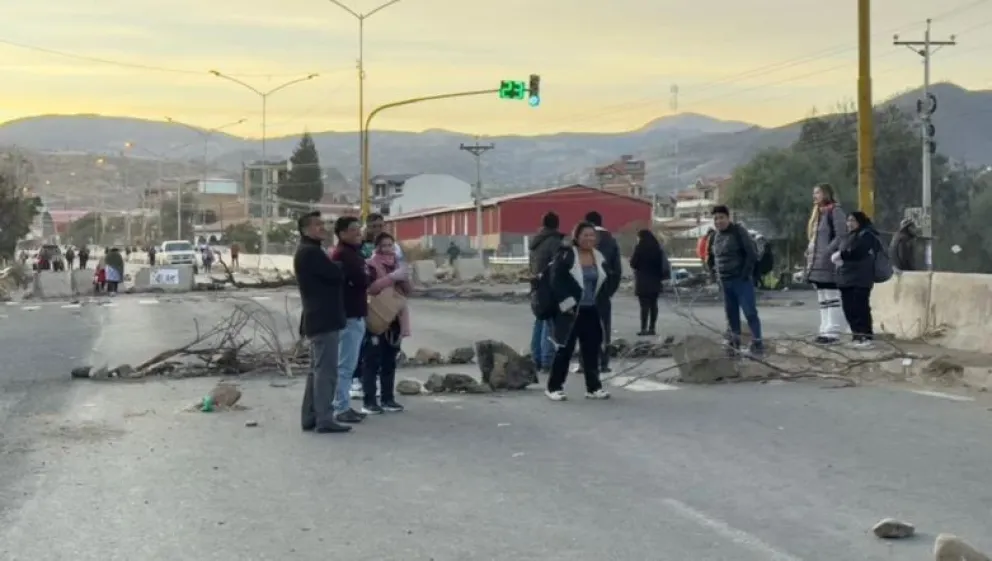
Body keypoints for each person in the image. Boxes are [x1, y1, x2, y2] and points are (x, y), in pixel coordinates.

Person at [544, 221, 617, 401]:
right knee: (565, 349)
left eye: (592, 235)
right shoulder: (567, 255)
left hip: (591, 309)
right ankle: (554, 387)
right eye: (585, 235)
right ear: (576, 236)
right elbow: (556, 281)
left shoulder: (598, 256)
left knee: (592, 349)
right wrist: (566, 304)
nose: (589, 238)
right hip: (570, 310)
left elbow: (608, 278)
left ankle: (593, 388)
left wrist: (605, 296)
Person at [294, 211, 351, 434]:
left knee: (316, 371)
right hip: (323, 318)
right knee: (326, 372)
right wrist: (338, 267)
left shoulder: (310, 251)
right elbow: (335, 275)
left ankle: (310, 416)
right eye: (317, 225)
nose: (322, 228)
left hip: (317, 318)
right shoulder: (311, 253)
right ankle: (324, 418)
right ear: (305, 230)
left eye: (322, 224)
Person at [361, 232, 412, 414]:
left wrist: (404, 277)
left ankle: (388, 398)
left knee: (389, 360)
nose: (388, 249)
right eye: (384, 245)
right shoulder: (371, 265)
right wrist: (391, 278)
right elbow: (371, 289)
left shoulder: (397, 265)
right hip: (377, 317)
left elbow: (408, 292)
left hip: (395, 319)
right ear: (377, 248)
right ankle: (369, 401)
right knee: (372, 361)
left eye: (391, 245)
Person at [706, 205, 764, 356]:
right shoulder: (713, 237)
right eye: (716, 219)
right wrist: (714, 275)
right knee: (731, 314)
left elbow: (751, 254)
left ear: (728, 217)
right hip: (724, 282)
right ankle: (734, 343)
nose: (718, 221)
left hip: (741, 280)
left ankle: (757, 342)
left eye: (721, 218)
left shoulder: (739, 231)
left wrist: (745, 274)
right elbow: (710, 259)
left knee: (750, 312)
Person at [330, 215, 370, 424]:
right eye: (354, 229)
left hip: (355, 314)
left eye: (359, 228)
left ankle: (343, 404)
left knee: (348, 365)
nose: (358, 232)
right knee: (345, 366)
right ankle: (341, 406)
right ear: (342, 233)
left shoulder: (353, 253)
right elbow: (362, 280)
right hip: (349, 316)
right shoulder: (344, 255)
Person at [804, 183, 849, 344]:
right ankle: (824, 328)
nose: (814, 196)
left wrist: (828, 252)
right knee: (822, 297)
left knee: (832, 296)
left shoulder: (835, 211)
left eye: (817, 192)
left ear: (826, 194)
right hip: (816, 264)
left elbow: (842, 235)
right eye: (814, 193)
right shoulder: (818, 214)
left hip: (829, 263)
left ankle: (834, 330)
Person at [832, 211, 878, 348]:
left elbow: (859, 252)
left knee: (860, 308)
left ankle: (866, 336)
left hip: (860, 279)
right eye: (848, 221)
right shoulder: (849, 236)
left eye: (853, 220)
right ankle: (856, 335)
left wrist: (841, 255)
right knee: (849, 308)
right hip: (846, 278)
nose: (850, 224)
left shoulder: (867, 235)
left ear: (860, 221)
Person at [583, 211, 621, 373]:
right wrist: (609, 290)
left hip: (585, 290)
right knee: (604, 326)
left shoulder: (582, 240)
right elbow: (617, 270)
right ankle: (603, 363)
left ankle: (586, 363)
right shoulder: (611, 241)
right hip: (604, 290)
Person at [528, 211, 564, 373]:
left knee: (539, 322)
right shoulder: (554, 242)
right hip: (549, 288)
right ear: (557, 224)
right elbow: (558, 267)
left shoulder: (536, 242)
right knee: (550, 325)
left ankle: (536, 358)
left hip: (536, 287)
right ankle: (547, 361)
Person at [630, 229, 670, 336]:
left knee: (644, 306)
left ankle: (643, 328)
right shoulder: (658, 248)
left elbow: (633, 263)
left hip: (642, 281)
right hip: (655, 280)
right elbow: (663, 265)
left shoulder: (639, 248)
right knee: (653, 305)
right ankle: (652, 328)